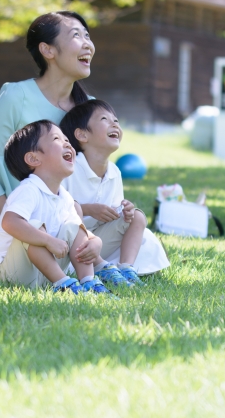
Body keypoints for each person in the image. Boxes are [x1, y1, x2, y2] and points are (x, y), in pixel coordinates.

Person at [0, 10, 95, 262]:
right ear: (47, 50)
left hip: (74, 224)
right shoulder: (15, 97)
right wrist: (22, 230)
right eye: (77, 35)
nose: (88, 43)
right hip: (14, 223)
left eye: (88, 36)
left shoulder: (91, 109)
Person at [0, 120, 114, 295]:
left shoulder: (64, 196)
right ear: (34, 158)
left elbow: (77, 230)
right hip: (10, 274)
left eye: (66, 140)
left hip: (43, 273)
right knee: (32, 226)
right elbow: (10, 222)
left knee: (74, 226)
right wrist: (48, 240)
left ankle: (88, 282)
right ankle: (64, 284)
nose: (67, 143)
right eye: (57, 138)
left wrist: (95, 241)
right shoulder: (28, 190)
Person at [60, 99, 170, 285]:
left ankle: (126, 268)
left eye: (116, 120)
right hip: (69, 246)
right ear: (82, 135)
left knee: (137, 218)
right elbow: (55, 210)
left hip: (98, 242)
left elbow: (116, 213)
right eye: (104, 119)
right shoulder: (70, 168)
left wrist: (124, 211)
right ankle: (101, 268)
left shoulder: (114, 172)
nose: (115, 124)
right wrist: (88, 210)